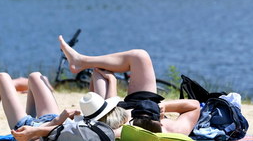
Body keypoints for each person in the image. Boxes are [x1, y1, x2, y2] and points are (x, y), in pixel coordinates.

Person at [58, 35, 200, 136]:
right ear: (161, 121)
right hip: (147, 104)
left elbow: (109, 113)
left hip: (118, 111)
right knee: (140, 56)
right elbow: (194, 105)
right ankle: (82, 61)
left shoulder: (122, 130)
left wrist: (113, 82)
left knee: (99, 75)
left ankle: (81, 62)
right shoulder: (173, 129)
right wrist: (164, 107)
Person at [0, 71, 128, 141]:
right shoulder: (110, 129)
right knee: (35, 76)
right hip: (50, 120)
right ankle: (26, 115)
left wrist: (58, 120)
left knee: (1, 78)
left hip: (34, 128)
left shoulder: (83, 133)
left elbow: (47, 133)